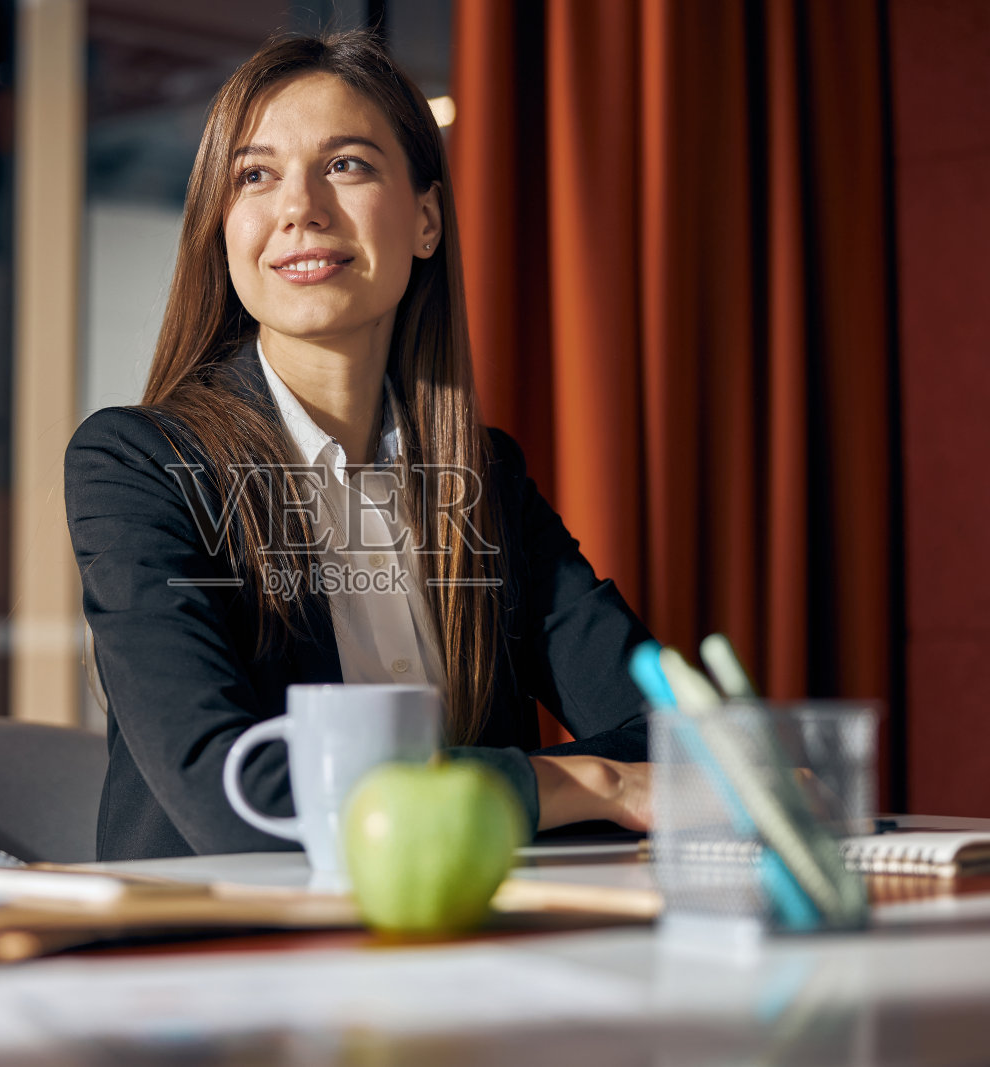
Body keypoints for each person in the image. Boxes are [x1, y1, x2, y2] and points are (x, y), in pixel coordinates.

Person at [65, 30, 653, 863]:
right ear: (221, 228)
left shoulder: (485, 480)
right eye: (255, 175)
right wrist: (587, 783)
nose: (299, 208)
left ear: (426, 220)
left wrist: (615, 779)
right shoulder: (139, 466)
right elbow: (239, 799)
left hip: (466, 931)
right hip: (224, 938)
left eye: (345, 164)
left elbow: (676, 741)